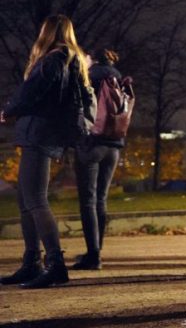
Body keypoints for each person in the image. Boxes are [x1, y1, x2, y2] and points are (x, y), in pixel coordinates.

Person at [0, 15, 91, 289]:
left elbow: (30, 92)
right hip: (46, 133)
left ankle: (54, 264)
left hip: (39, 134)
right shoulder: (72, 60)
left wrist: (8, 110)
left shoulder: (54, 60)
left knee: (36, 200)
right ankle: (32, 262)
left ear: (48, 32)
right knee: (26, 200)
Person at [72, 48, 124, 271]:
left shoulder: (89, 76)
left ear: (92, 59)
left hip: (91, 143)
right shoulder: (118, 77)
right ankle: (96, 251)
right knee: (101, 199)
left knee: (88, 201)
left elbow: (77, 107)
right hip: (114, 146)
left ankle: (93, 255)